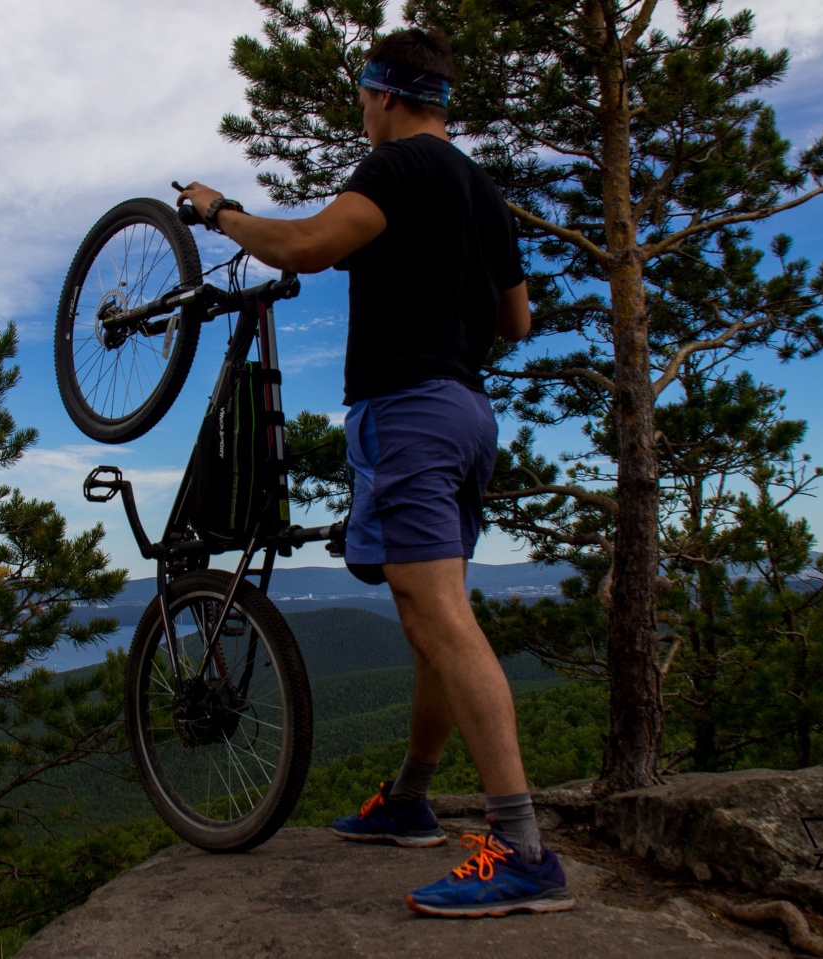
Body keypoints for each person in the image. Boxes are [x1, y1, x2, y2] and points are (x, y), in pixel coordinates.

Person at [176, 27, 574, 918]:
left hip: (411, 412)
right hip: (470, 416)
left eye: (362, 98)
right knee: (429, 612)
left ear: (386, 94)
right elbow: (518, 321)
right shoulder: (481, 190)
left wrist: (219, 214)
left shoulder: (399, 169)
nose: (361, 114)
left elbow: (310, 244)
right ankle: (408, 802)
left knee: (437, 614)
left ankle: (523, 852)